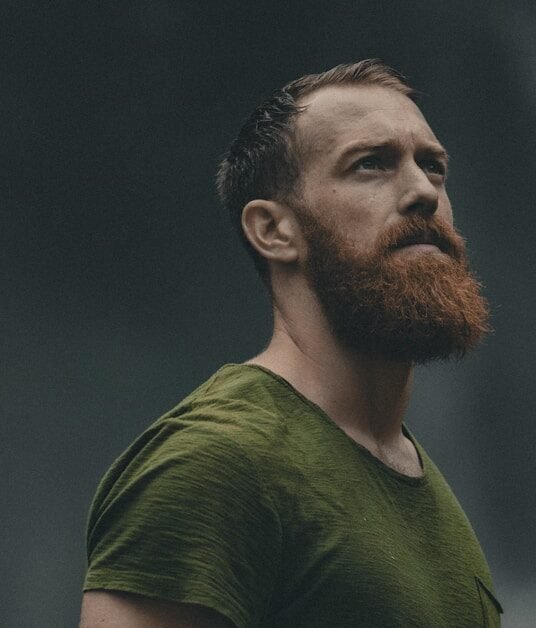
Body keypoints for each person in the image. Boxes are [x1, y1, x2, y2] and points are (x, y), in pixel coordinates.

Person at [79, 59, 502, 628]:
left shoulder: (410, 470)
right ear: (273, 230)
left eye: (433, 166)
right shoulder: (215, 463)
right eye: (371, 164)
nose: (423, 191)